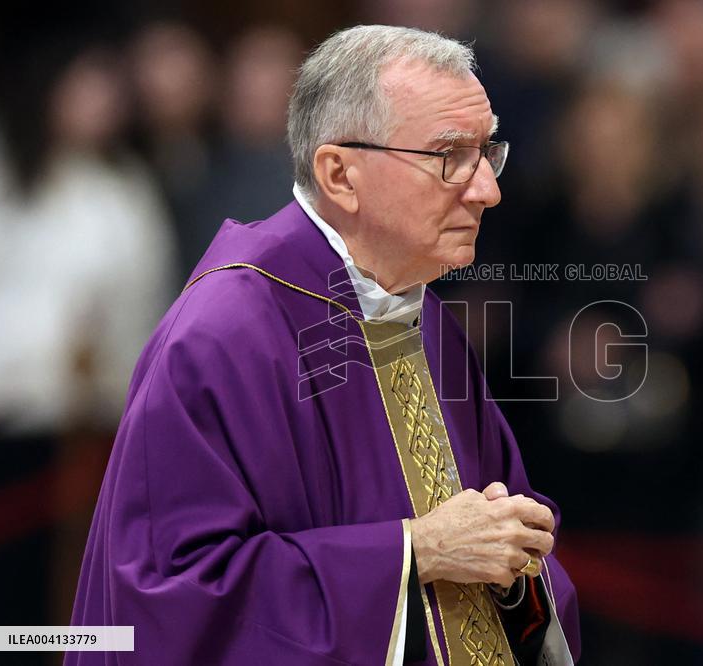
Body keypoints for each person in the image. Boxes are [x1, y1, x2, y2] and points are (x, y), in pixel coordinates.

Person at [68, 25, 581, 665]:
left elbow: (497, 533)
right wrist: (414, 552)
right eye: (450, 156)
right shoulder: (226, 335)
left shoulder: (423, 319)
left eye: (488, 153)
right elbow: (174, 598)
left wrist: (514, 557)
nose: (487, 189)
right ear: (340, 174)